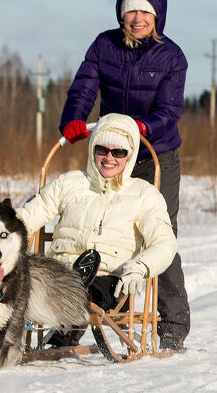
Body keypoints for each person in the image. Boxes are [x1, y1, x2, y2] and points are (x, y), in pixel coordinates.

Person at [59, 0, 190, 350]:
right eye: (130, 10)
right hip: (112, 152)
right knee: (95, 226)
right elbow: (85, 86)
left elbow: (170, 110)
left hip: (155, 153)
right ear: (120, 13)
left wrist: (142, 126)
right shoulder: (104, 45)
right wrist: (73, 117)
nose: (137, 18)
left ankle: (173, 321)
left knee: (158, 231)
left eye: (145, 11)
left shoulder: (171, 56)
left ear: (158, 15)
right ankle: (80, 312)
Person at [17, 113, 178, 348]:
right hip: (55, 274)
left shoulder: (144, 194)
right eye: (102, 150)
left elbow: (165, 243)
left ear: (130, 155)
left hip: (107, 278)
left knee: (93, 289)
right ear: (92, 149)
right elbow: (29, 216)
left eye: (119, 152)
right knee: (22, 280)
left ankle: (74, 299)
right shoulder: (69, 183)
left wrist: (140, 267)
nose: (109, 158)